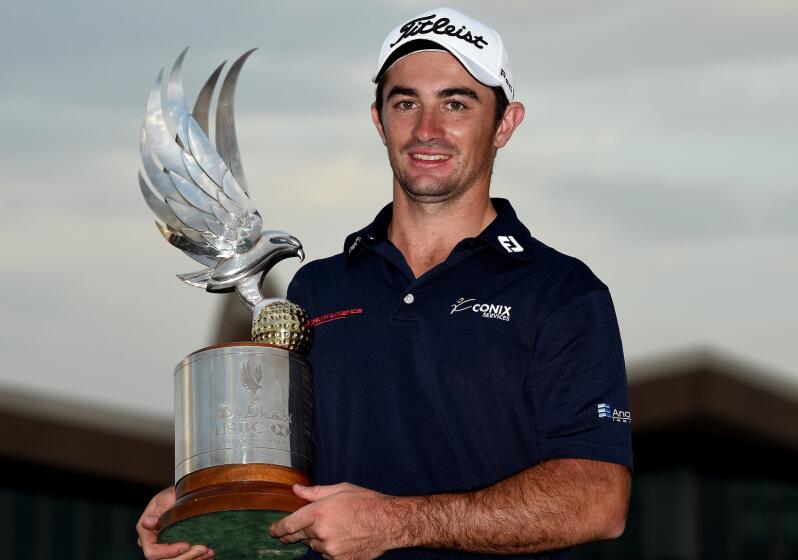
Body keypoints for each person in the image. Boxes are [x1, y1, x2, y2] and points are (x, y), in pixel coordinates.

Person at [137, 7, 632, 560]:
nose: (427, 130)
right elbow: (290, 480)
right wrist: (209, 501)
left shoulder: (562, 292)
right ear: (378, 119)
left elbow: (598, 499)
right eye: (405, 103)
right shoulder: (317, 289)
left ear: (505, 123)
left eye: (456, 103)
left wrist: (395, 522)